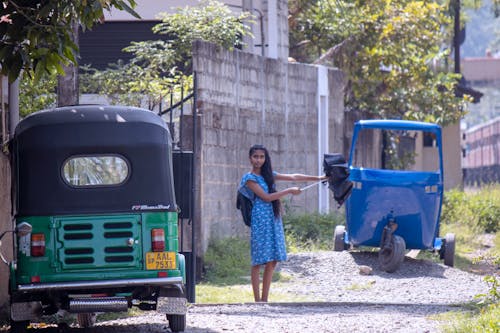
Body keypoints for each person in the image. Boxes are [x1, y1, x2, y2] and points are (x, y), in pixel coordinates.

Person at [238, 144, 328, 302]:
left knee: (272, 260)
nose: (259, 160)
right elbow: (265, 197)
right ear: (250, 158)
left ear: (266, 159)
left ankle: (264, 300)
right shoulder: (249, 178)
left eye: (262, 157)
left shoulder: (268, 175)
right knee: (258, 260)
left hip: (273, 217)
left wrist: (320, 178)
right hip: (260, 219)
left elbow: (294, 177)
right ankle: (257, 300)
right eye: (255, 157)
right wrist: (289, 191)